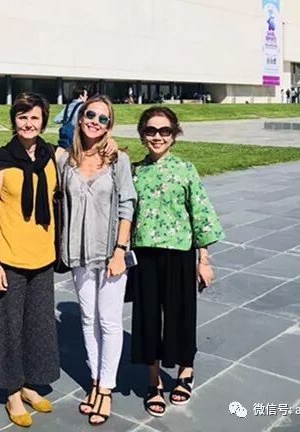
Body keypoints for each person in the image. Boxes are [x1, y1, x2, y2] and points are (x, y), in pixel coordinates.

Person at [127, 106, 224, 417]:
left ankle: (185, 371)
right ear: (142, 135)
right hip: (145, 255)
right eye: (151, 130)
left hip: (179, 253)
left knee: (181, 315)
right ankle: (153, 379)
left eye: (164, 131)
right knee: (147, 318)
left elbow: (201, 214)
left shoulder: (185, 169)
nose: (157, 137)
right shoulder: (134, 172)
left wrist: (203, 259)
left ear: (174, 135)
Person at [0, 92, 61, 428]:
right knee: (9, 329)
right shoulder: (1, 161)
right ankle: (12, 393)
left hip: (43, 257)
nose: (28, 123)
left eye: (34, 117)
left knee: (36, 326)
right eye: (22, 117)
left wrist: (110, 145)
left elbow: (87, 154)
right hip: (10, 259)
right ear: (14, 121)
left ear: (43, 121)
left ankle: (27, 384)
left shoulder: (51, 155)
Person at [57, 95, 136, 426]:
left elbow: (127, 205)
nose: (95, 122)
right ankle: (94, 379)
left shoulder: (118, 159)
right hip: (78, 252)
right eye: (90, 115)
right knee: (88, 319)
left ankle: (106, 388)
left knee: (109, 321)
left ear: (109, 126)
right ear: (79, 117)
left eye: (103, 119)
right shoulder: (64, 159)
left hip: (110, 254)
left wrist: (120, 250)